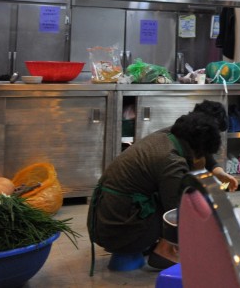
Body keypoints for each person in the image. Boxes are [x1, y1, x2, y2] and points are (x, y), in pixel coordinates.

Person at [88, 112, 222, 270]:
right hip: (117, 230)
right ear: (197, 148)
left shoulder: (165, 136)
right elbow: (177, 210)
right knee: (186, 211)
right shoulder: (171, 161)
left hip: (103, 221)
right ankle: (164, 252)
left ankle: (146, 244)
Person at [159, 100, 238, 192]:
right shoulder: (177, 145)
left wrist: (220, 174)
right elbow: (174, 199)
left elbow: (208, 158)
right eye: (214, 132)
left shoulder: (192, 134)